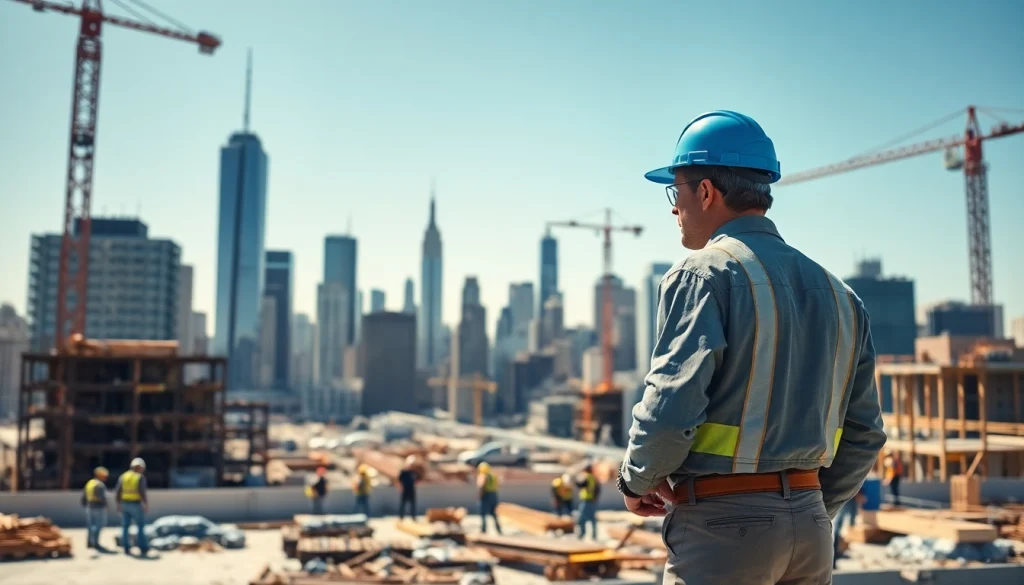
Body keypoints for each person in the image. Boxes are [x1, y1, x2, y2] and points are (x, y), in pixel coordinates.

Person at [617, 110, 887, 585]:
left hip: (725, 530)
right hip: (811, 533)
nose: (673, 208)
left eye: (675, 191)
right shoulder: (841, 295)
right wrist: (809, 508)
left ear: (705, 192)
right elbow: (864, 432)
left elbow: (670, 409)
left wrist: (636, 479)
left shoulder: (703, 274)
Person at [116, 458, 150, 556]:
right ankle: (142, 547)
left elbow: (118, 491)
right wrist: (146, 504)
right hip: (135, 504)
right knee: (140, 526)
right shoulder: (139, 477)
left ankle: (126, 548)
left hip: (124, 504)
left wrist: (118, 504)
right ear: (139, 467)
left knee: (125, 527)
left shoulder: (124, 476)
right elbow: (142, 492)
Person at [833, 486, 867, 568]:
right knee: (838, 527)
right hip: (845, 496)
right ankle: (835, 555)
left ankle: (837, 553)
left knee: (841, 526)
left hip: (845, 496)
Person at [81, 466, 109, 550]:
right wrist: (106, 505)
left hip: (89, 507)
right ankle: (95, 543)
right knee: (98, 525)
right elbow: (102, 497)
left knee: (90, 526)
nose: (105, 478)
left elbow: (84, 497)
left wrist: (86, 506)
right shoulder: (100, 485)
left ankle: (90, 542)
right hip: (98, 507)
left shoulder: (89, 483)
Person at [476, 462, 502, 534]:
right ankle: (499, 529)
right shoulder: (493, 476)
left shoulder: (483, 475)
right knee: (494, 513)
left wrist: (480, 496)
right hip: (494, 495)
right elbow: (498, 485)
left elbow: (481, 486)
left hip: (486, 495)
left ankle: (483, 530)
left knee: (483, 513)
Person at [576, 464, 599, 539]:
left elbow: (580, 484)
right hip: (592, 500)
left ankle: (582, 534)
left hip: (586, 500)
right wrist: (595, 497)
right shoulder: (594, 478)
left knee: (581, 518)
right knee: (592, 518)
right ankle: (594, 535)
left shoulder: (586, 476)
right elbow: (597, 489)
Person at [398, 456, 419, 520]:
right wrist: (401, 487)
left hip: (411, 490)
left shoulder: (414, 472)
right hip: (405, 489)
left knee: (413, 504)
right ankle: (401, 517)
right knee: (403, 504)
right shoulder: (403, 472)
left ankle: (413, 516)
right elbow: (399, 480)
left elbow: (418, 479)